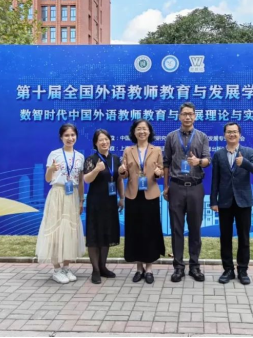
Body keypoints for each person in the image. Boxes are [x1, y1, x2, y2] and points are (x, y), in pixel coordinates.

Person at [210, 122, 253, 285]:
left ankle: (242, 270)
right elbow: (215, 180)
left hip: (243, 202)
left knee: (244, 237)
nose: (232, 134)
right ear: (224, 135)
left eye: (234, 132)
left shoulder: (248, 152)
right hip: (225, 202)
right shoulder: (218, 154)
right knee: (225, 237)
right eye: (228, 132)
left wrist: (244, 163)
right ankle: (228, 270)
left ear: (240, 134)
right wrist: (213, 201)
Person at [163, 102, 210, 283]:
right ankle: (178, 267)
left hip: (196, 186)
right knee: (177, 228)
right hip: (176, 186)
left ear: (195, 116)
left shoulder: (202, 137)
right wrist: (166, 186)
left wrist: (198, 162)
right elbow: (166, 163)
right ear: (179, 116)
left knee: (195, 228)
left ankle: (195, 266)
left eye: (191, 114)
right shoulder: (171, 137)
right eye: (184, 114)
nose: (188, 117)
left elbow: (207, 160)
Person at [36, 123, 85, 284]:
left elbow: (80, 181)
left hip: (72, 196)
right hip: (57, 194)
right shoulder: (54, 154)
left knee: (70, 231)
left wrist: (81, 200)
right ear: (61, 137)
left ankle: (66, 267)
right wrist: (51, 169)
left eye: (72, 135)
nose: (70, 138)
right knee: (55, 232)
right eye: (67, 135)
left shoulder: (80, 156)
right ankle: (56, 269)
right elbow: (47, 179)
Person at [119, 119, 165, 284]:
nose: (142, 132)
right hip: (133, 196)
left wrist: (159, 172)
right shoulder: (128, 150)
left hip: (150, 195)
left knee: (150, 231)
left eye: (144, 129)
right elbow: (125, 173)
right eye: (139, 129)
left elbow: (161, 171)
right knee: (135, 231)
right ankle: (139, 268)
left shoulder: (156, 150)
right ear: (134, 132)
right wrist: (122, 171)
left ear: (149, 132)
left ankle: (149, 268)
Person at [83, 129, 125, 285]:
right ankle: (95, 270)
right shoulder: (91, 159)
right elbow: (86, 179)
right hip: (96, 202)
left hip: (110, 202)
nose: (104, 142)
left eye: (106, 139)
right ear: (95, 143)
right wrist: (96, 169)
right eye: (101, 140)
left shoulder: (115, 159)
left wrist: (122, 197)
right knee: (94, 236)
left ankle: (103, 267)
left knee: (106, 234)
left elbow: (119, 179)